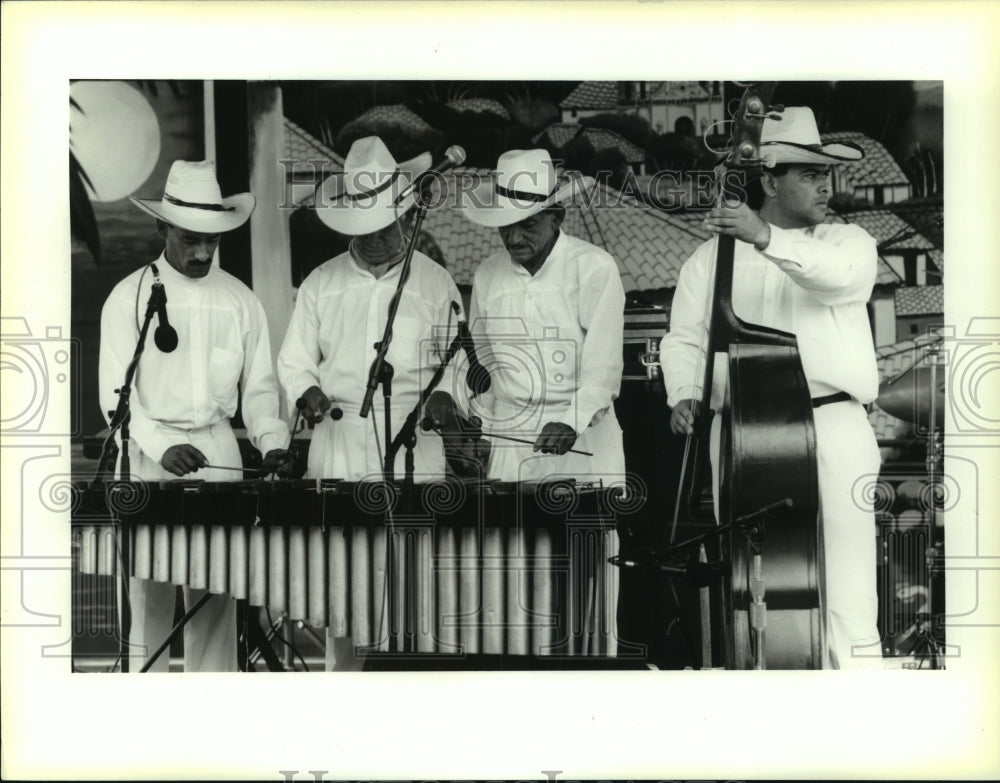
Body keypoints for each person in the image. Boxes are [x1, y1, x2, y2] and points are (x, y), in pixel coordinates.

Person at [659, 106, 883, 669]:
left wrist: (761, 236)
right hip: (741, 432)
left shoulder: (848, 240)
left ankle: (866, 724)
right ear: (767, 180)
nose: (825, 187)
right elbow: (685, 338)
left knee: (849, 595)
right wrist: (684, 392)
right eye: (809, 175)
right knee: (748, 587)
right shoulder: (708, 259)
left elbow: (839, 279)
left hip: (833, 424)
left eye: (825, 174)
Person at [276, 136, 466, 669]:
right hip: (338, 448)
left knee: (414, 595)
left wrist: (447, 395)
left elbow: (457, 356)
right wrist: (307, 390)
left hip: (413, 450)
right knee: (345, 597)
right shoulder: (320, 283)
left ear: (404, 215)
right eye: (363, 232)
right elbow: (293, 360)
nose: (377, 240)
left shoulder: (435, 282)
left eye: (385, 228)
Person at [99, 160, 291, 672]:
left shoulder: (241, 302)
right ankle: (146, 722)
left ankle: (214, 720)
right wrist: (161, 447)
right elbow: (116, 398)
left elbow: (259, 390)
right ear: (162, 228)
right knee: (148, 606)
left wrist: (272, 440)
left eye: (212, 240)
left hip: (218, 454)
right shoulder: (128, 298)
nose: (203, 252)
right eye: (190, 239)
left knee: (216, 606)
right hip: (147, 459)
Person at [460, 149, 626, 483]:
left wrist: (571, 420)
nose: (514, 237)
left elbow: (604, 364)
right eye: (505, 226)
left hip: (582, 434)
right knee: (511, 535)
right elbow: (485, 363)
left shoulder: (594, 266)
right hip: (511, 441)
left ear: (557, 216)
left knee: (583, 533)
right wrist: (480, 423)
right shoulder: (487, 275)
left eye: (528, 225)